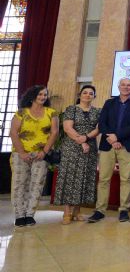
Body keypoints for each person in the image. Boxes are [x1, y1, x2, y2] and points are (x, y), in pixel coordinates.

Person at [88, 78, 130, 223]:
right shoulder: (109, 103)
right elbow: (102, 123)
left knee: (126, 179)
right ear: (118, 87)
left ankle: (124, 210)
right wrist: (112, 139)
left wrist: (118, 137)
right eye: (123, 85)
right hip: (108, 145)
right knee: (104, 179)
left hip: (127, 145)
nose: (126, 87)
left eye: (129, 85)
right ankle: (100, 210)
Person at [10, 85, 60, 227]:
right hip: (20, 153)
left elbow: (54, 133)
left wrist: (44, 152)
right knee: (19, 184)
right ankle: (19, 215)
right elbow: (13, 132)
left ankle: (30, 214)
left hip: (41, 154)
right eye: (40, 94)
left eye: (45, 95)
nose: (43, 97)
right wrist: (22, 153)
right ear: (32, 96)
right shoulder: (21, 112)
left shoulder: (52, 112)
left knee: (37, 184)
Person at [54, 84, 100, 225]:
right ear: (79, 95)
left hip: (90, 147)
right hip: (72, 147)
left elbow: (98, 129)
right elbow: (67, 128)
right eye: (85, 93)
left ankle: (77, 211)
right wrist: (81, 142)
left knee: (84, 177)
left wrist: (86, 139)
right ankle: (67, 212)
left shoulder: (98, 111)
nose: (87, 95)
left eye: (91, 93)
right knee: (70, 177)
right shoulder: (71, 109)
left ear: (94, 96)